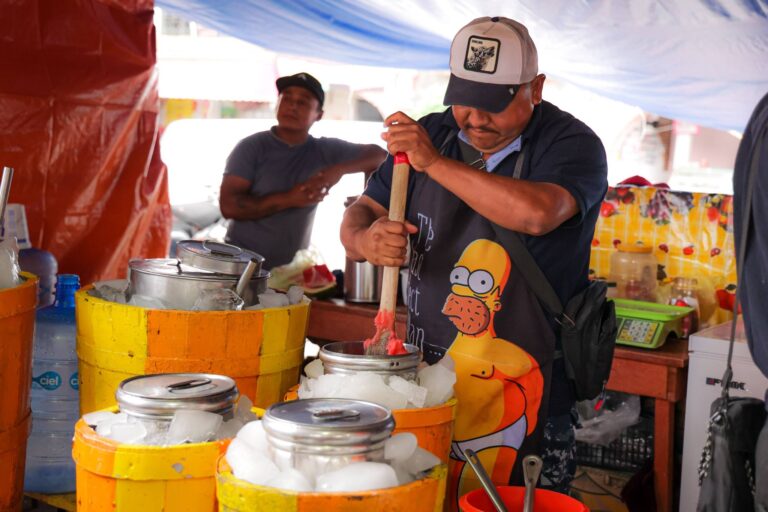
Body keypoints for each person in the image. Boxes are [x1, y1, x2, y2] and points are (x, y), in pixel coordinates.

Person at [340, 16, 608, 504]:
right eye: (465, 100)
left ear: (536, 89)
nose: (476, 119)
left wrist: (434, 164)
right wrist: (365, 239)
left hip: (527, 389)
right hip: (426, 381)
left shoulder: (571, 144)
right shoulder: (434, 132)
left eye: (494, 104)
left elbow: (536, 214)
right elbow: (362, 211)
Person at [219, 72, 386, 269]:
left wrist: (338, 170)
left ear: (319, 114)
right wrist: (290, 198)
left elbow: (379, 156)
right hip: (241, 267)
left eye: (303, 102)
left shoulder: (323, 150)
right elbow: (228, 207)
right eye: (287, 98)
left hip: (292, 272)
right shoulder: (251, 147)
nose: (292, 106)